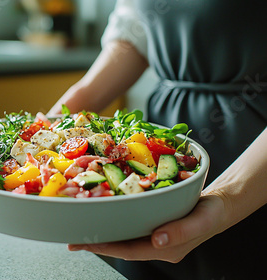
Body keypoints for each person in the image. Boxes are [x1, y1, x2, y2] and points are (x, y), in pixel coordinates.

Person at [49, 0, 267, 279]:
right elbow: (137, 32)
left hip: (255, 180)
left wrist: (225, 198)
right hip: (156, 170)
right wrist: (60, 124)